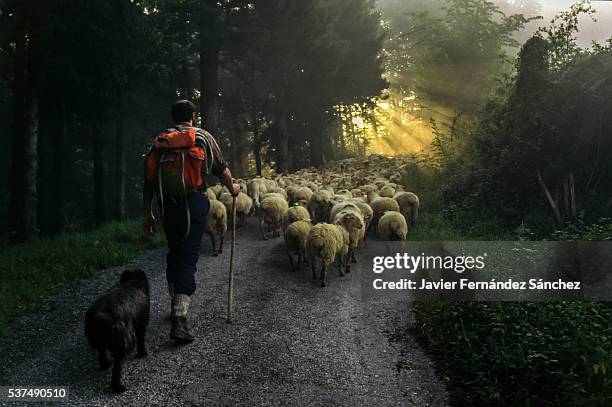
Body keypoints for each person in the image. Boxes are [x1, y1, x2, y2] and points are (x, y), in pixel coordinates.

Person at [143, 100, 239, 343]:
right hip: (194, 202)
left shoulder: (162, 140)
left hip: (168, 205)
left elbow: (149, 180)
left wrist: (148, 213)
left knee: (175, 251)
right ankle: (179, 319)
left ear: (173, 117)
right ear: (193, 117)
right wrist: (233, 188)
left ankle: (174, 300)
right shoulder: (203, 137)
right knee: (188, 256)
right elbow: (222, 168)